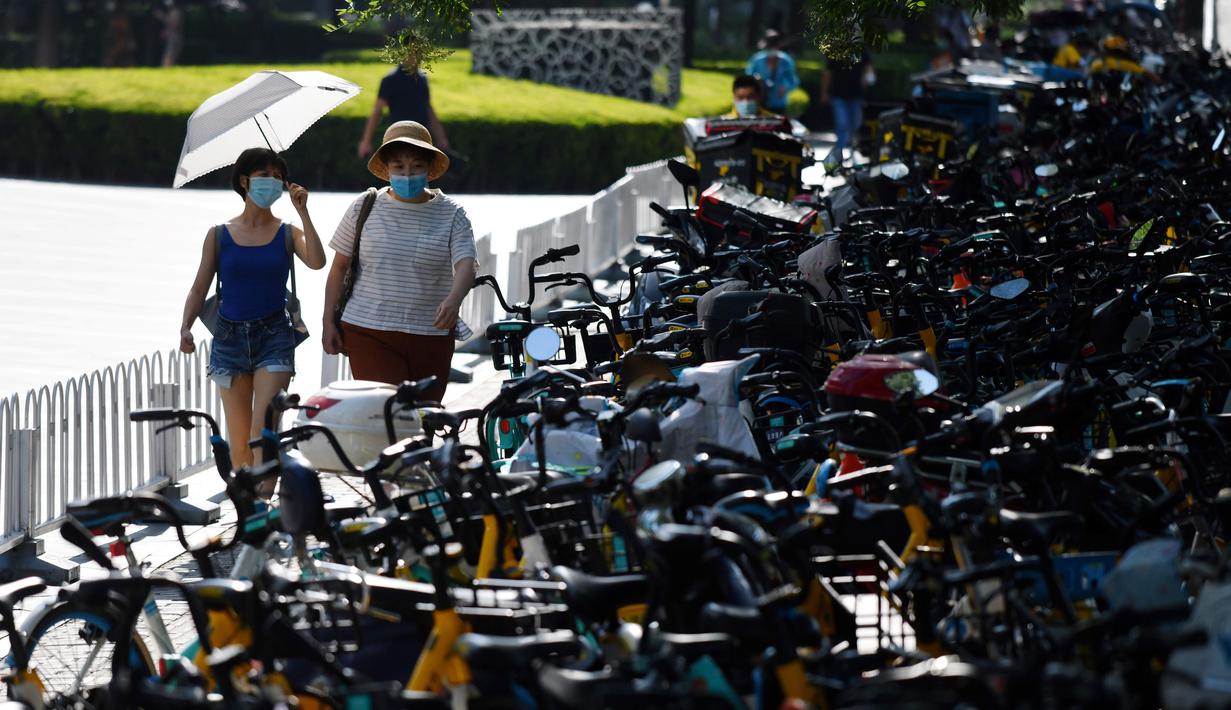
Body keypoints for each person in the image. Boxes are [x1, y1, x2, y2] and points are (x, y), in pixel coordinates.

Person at [179, 148, 326, 470]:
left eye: (277, 176)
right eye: (263, 175)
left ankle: (264, 494)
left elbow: (317, 261)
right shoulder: (219, 234)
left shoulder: (288, 232)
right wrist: (185, 327)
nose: (271, 181)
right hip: (229, 340)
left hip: (274, 336)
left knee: (264, 432)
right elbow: (199, 287)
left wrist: (304, 213)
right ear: (244, 181)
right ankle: (250, 496)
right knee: (240, 444)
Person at [324, 121, 478, 404]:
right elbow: (338, 266)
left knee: (425, 416)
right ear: (387, 169)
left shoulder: (452, 214)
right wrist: (327, 322)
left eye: (417, 166)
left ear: (429, 169)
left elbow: (466, 264)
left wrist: (454, 299)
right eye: (399, 166)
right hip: (369, 330)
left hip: (430, 333)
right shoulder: (364, 206)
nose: (408, 174)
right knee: (388, 413)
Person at [358, 61, 450, 159]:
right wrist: (366, 141)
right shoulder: (390, 80)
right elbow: (377, 111)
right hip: (399, 137)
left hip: (421, 137)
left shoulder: (422, 78)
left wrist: (441, 138)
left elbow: (428, 109)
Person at [820, 52, 872, 165]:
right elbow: (827, 72)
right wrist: (824, 92)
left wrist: (868, 79)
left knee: (856, 125)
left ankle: (853, 152)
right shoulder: (836, 50)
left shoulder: (861, 50)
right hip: (838, 95)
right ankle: (839, 154)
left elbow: (868, 68)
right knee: (842, 124)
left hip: (856, 95)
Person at [745, 29, 800, 114]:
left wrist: (785, 88)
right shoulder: (757, 60)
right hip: (759, 102)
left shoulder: (786, 61)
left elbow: (794, 81)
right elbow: (748, 77)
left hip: (778, 103)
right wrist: (755, 79)